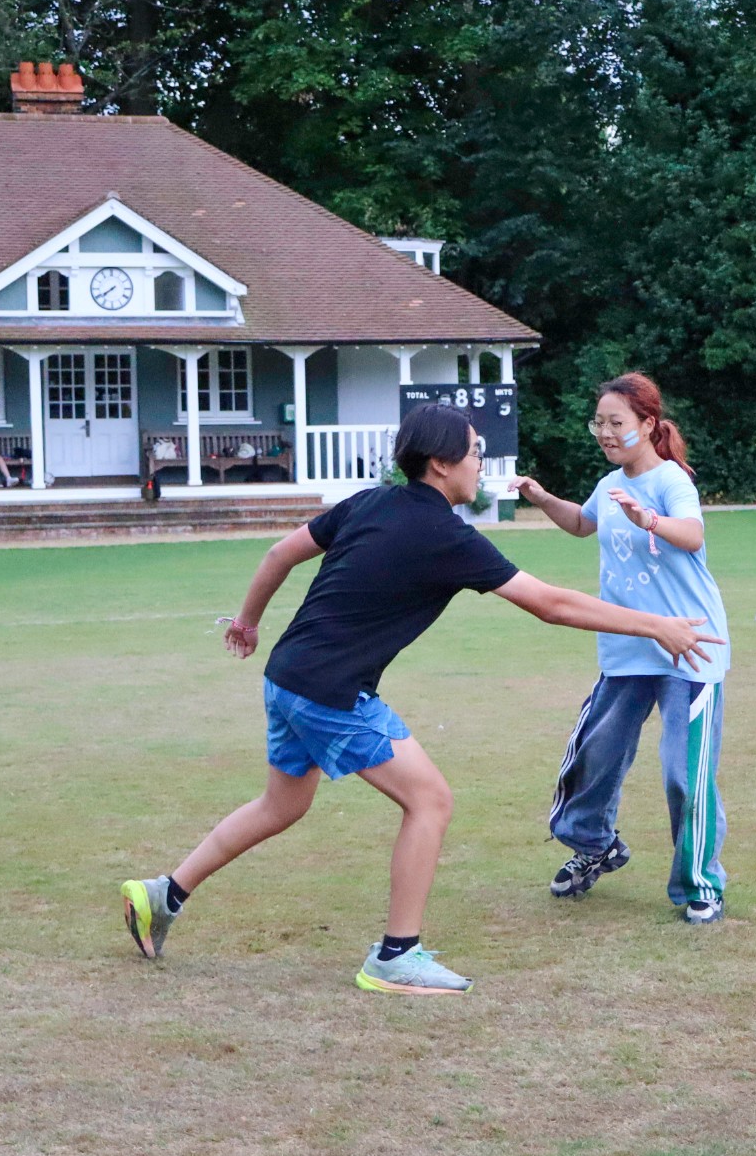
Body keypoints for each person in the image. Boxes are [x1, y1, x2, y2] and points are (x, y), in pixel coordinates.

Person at [119, 404, 721, 994]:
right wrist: (656, 625)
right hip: (330, 693)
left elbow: (280, 553)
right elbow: (551, 604)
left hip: (286, 677)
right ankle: (396, 956)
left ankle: (163, 894)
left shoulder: (370, 502)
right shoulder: (447, 536)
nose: (481, 464)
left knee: (282, 806)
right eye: (475, 453)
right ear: (441, 464)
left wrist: (248, 623)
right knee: (429, 801)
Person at [510, 373, 733, 924]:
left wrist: (648, 518)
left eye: (617, 423)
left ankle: (701, 882)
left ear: (648, 424)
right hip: (627, 645)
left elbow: (692, 533)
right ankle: (595, 845)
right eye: (599, 423)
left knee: (684, 774)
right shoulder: (610, 483)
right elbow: (583, 523)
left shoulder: (671, 480)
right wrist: (542, 498)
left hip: (688, 646)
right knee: (595, 757)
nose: (606, 433)